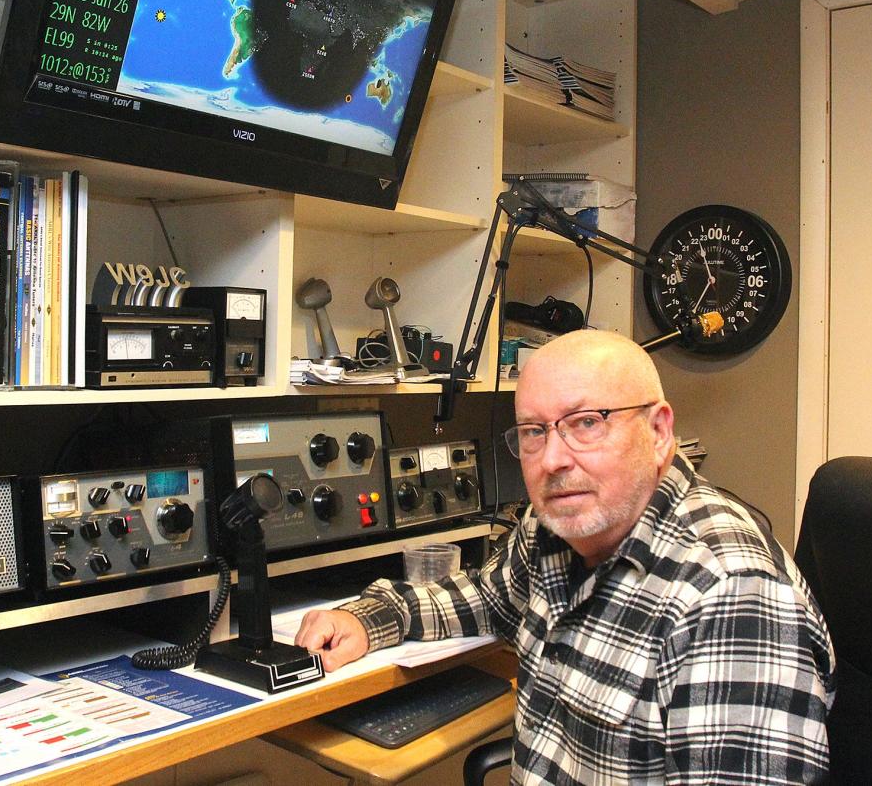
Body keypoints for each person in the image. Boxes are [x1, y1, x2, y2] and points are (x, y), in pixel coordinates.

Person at [296, 330, 835, 784]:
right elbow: (486, 597)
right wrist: (371, 619)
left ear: (658, 432)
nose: (554, 459)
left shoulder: (731, 596)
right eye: (534, 432)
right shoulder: (558, 527)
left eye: (586, 423)